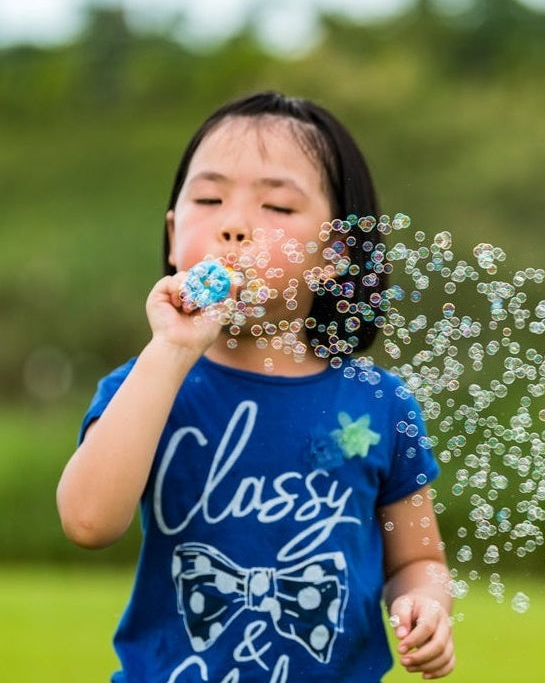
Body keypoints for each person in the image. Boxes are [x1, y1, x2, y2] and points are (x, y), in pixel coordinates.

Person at [57, 91, 455, 682]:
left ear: (335, 253)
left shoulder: (378, 403)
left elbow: (418, 558)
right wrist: (170, 350)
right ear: (173, 237)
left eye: (277, 207)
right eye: (209, 199)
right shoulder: (148, 385)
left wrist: (423, 603)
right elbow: (88, 522)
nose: (235, 226)